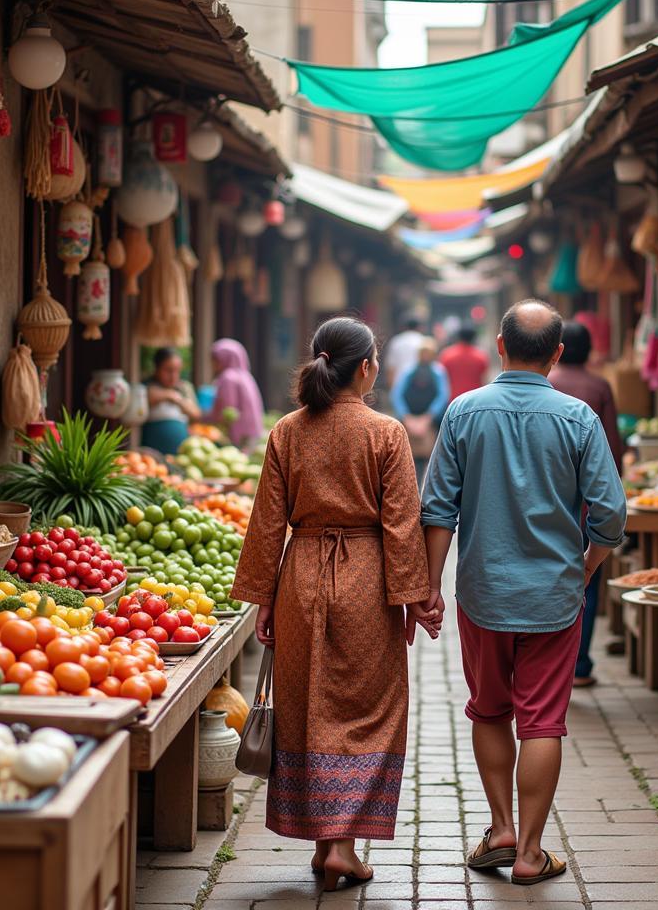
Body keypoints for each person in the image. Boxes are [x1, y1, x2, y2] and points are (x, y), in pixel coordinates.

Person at [230, 317, 442, 894]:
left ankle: (330, 844)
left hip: (300, 579)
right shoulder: (386, 433)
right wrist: (416, 599)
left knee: (308, 703)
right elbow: (402, 525)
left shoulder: (288, 432)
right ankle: (342, 847)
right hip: (366, 584)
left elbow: (267, 523)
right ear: (368, 368)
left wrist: (262, 599)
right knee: (370, 707)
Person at [420, 299, 626, 886]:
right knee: (542, 722)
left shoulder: (462, 413)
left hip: (482, 595)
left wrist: (431, 588)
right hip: (554, 598)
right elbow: (610, 514)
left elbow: (438, 510)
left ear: (500, 346)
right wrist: (586, 567)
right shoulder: (579, 418)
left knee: (489, 709)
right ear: (557, 355)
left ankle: (501, 827)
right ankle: (532, 853)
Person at [550, 320, 624, 688]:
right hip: (586, 508)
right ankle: (578, 665)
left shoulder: (546, 385)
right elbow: (613, 451)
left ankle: (545, 661)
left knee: (547, 576)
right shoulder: (599, 386)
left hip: (550, 505)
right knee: (586, 582)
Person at [390, 338, 450, 482]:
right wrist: (407, 417)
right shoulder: (410, 371)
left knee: (428, 459)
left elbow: (442, 396)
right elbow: (397, 394)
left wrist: (427, 417)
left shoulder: (437, 372)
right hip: (413, 420)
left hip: (428, 422)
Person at [207, 338, 265, 449]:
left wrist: (204, 419)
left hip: (236, 438)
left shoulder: (228, 377)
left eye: (215, 360)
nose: (212, 364)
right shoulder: (246, 376)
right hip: (252, 435)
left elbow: (227, 412)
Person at [141, 347, 200, 455]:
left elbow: (196, 414)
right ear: (157, 368)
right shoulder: (147, 386)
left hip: (181, 454)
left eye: (177, 371)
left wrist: (178, 400)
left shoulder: (184, 388)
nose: (173, 376)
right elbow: (148, 397)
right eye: (168, 370)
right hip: (152, 455)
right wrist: (169, 395)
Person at [439, 323, 490, 401]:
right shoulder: (481, 356)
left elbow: (442, 380)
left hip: (452, 401)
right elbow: (485, 380)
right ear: (474, 337)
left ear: (459, 336)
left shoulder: (447, 355)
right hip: (474, 400)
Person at [383, 315, 424, 389]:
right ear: (420, 327)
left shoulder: (396, 341)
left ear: (404, 327)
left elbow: (391, 368)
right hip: (420, 385)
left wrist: (392, 389)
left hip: (399, 385)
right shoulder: (424, 341)